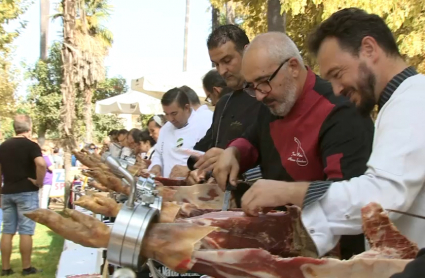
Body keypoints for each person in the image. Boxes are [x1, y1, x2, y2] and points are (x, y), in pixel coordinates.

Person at [236, 8, 425, 257]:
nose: (335, 90)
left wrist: (289, 192)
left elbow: (382, 198)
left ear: (369, 49)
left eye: (337, 74)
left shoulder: (413, 100)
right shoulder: (397, 103)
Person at [212, 31, 375, 259]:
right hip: (282, 245)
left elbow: (350, 198)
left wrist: (284, 193)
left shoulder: (339, 110)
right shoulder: (271, 102)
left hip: (333, 256)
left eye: (264, 83)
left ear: (293, 67)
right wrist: (234, 152)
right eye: (252, 87)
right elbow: (254, 138)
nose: (259, 95)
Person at [187, 24, 263, 184]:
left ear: (247, 51)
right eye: (216, 64)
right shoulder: (224, 103)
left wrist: (235, 167)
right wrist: (200, 170)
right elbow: (210, 149)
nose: (222, 71)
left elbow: (280, 162)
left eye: (227, 61)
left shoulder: (270, 98)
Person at [0, 115, 45, 275]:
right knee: (26, 230)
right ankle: (26, 267)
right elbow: (41, 164)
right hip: (26, 190)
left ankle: (5, 268)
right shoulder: (31, 145)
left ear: (14, 128)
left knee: (8, 230)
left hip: (7, 191)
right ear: (29, 128)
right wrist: (39, 181)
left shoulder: (3, 146)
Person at [148, 88, 210, 178]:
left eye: (174, 113)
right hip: (167, 186)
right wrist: (156, 166)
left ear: (186, 108)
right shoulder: (165, 129)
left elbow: (211, 161)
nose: (170, 119)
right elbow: (158, 153)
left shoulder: (205, 126)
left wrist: (188, 169)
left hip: (194, 188)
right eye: (166, 114)